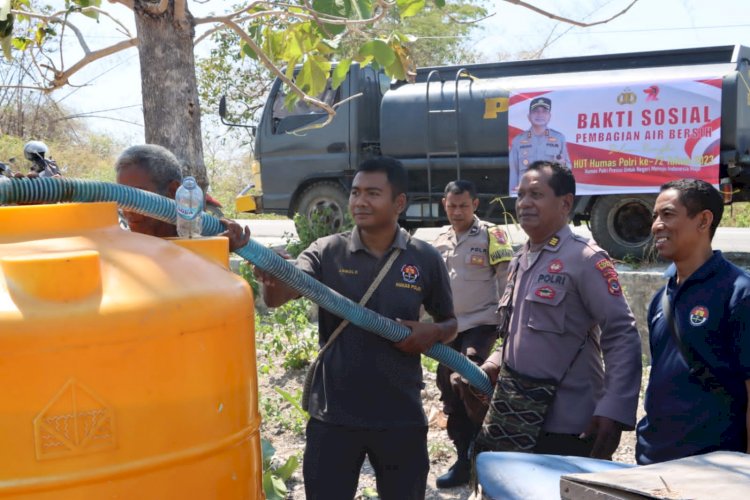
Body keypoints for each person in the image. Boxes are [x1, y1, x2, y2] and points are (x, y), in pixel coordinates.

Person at [254, 156, 457, 500]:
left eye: (373, 193)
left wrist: (432, 333)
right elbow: (280, 296)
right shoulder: (326, 251)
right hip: (334, 415)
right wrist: (272, 277)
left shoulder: (424, 258)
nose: (360, 202)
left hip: (400, 414)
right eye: (355, 193)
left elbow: (450, 323)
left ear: (399, 202)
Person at [479, 160, 642, 459]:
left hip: (569, 424)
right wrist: (493, 362)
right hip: (517, 417)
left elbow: (621, 334)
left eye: (536, 195)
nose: (524, 203)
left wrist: (614, 408)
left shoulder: (585, 258)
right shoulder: (520, 260)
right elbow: (518, 332)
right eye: (521, 195)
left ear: (565, 203)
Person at [636, 179, 750, 464]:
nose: (656, 225)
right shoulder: (660, 298)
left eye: (668, 214)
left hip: (712, 469)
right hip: (653, 461)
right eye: (655, 216)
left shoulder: (738, 292)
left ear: (703, 220)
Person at [431, 180, 512, 488]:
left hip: (482, 324)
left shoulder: (494, 234)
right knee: (448, 390)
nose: (457, 212)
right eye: (451, 206)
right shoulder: (438, 239)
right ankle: (463, 459)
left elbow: (507, 278)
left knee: (469, 381)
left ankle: (486, 452)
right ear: (444, 204)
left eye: (463, 205)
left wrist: (508, 321)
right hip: (449, 326)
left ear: (475, 204)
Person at [114, 144, 249, 248]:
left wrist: (218, 249)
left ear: (173, 191)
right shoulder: (123, 248)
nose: (128, 210)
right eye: (123, 198)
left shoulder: (204, 240)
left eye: (137, 197)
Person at [509, 97, 569, 194]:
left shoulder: (559, 138)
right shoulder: (518, 140)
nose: (540, 114)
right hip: (527, 193)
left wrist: (562, 165)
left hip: (551, 192)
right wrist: (514, 193)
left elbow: (568, 168)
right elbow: (513, 171)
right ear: (529, 116)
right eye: (535, 111)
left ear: (549, 116)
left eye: (544, 111)